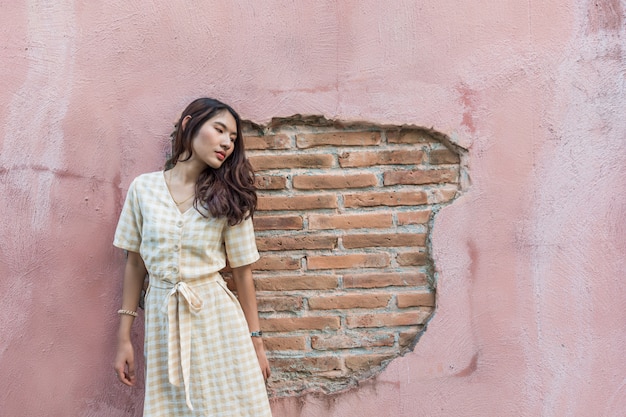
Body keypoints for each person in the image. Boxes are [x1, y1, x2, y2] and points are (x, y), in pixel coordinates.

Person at [112, 97, 272, 416]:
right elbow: (134, 264)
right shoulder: (143, 189)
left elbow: (242, 272)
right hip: (162, 315)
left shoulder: (228, 194)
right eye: (220, 130)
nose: (227, 142)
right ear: (189, 124)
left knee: (229, 406)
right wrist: (124, 337)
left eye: (233, 138)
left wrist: (256, 340)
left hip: (216, 316)